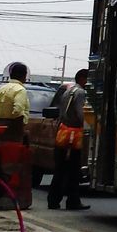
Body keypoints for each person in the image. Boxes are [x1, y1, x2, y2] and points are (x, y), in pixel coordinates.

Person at [49, 69, 90, 211]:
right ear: (83, 79)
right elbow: (80, 114)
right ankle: (72, 201)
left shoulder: (68, 90)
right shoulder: (80, 93)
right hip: (74, 136)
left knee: (60, 169)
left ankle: (54, 200)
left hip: (63, 133)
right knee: (73, 170)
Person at [0, 61, 30, 142]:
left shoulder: (1, 89)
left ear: (10, 75)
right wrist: (19, 130)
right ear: (24, 76)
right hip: (12, 130)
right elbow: (18, 111)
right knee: (12, 153)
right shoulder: (20, 90)